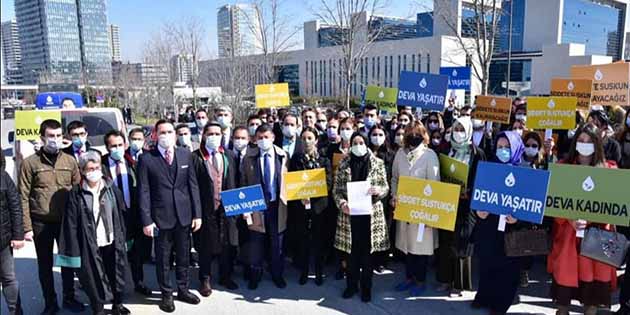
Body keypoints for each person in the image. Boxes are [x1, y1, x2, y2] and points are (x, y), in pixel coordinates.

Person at [548, 123, 618, 315]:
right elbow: (554, 204)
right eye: (581, 140)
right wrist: (569, 219)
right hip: (569, 238)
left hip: (596, 238)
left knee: (592, 294)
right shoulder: (563, 168)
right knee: (564, 294)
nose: (584, 144)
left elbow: (614, 209)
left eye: (589, 141)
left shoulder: (609, 171)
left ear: (597, 144)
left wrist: (595, 219)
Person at [19, 119, 85, 314]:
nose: (54, 140)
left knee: (67, 262)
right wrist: (27, 227)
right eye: (50, 136)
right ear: (42, 137)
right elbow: (22, 195)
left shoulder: (70, 161)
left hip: (66, 222)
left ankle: (69, 297)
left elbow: (78, 192)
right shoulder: (30, 163)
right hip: (41, 222)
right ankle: (50, 302)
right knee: (45, 265)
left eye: (58, 136)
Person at [137, 119, 202, 313]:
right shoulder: (147, 159)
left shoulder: (185, 154)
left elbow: (193, 186)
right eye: (162, 132)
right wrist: (146, 220)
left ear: (175, 134)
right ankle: (166, 294)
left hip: (183, 215)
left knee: (183, 256)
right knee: (163, 259)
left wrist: (197, 214)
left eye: (170, 132)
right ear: (155, 135)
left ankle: (183, 289)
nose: (166, 136)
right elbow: (144, 192)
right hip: (160, 217)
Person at [57, 151, 131, 315]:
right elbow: (71, 224)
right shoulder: (76, 194)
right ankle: (98, 308)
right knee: (93, 276)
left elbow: (121, 213)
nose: (94, 171)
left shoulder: (111, 188)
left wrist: (125, 237)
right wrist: (74, 250)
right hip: (90, 243)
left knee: (116, 272)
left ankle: (117, 304)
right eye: (89, 168)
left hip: (111, 240)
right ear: (82, 171)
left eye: (96, 167)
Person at [333, 132, 389, 302]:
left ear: (366, 143)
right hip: (350, 216)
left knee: (367, 257)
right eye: (355, 142)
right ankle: (351, 286)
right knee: (352, 256)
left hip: (370, 216)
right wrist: (342, 204)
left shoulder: (377, 163)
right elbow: (336, 191)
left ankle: (366, 288)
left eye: (361, 142)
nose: (358, 145)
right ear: (350, 145)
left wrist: (378, 191)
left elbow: (385, 186)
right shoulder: (343, 163)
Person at [472, 131, 523, 315]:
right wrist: (479, 212)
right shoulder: (487, 169)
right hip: (489, 226)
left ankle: (500, 304)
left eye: (507, 147)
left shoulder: (525, 173)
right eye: (500, 147)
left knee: (507, 269)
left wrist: (518, 219)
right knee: (487, 263)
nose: (503, 150)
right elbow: (477, 195)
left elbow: (531, 206)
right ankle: (484, 296)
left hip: (512, 231)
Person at [436, 117, 484, 295]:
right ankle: (444, 279)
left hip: (467, 205)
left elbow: (483, 179)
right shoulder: (446, 150)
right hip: (448, 203)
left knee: (463, 242)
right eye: (456, 128)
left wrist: (469, 192)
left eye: (462, 129)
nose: (458, 132)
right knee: (446, 241)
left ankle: (459, 282)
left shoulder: (477, 153)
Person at [390, 122, 439, 297]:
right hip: (404, 208)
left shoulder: (429, 155)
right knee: (407, 247)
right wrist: (394, 196)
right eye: (409, 133)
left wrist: (429, 212)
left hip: (422, 210)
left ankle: (420, 280)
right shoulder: (400, 154)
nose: (413, 136)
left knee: (421, 248)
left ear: (424, 135)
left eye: (417, 133)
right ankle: (409, 278)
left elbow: (435, 185)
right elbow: (395, 178)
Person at [102, 130, 152, 296]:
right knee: (113, 255)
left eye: (120, 145)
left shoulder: (134, 162)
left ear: (125, 145)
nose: (117, 148)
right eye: (113, 146)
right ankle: (114, 289)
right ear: (107, 147)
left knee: (136, 253)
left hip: (132, 215)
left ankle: (138, 282)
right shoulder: (101, 165)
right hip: (111, 217)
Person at [192, 122, 239, 295]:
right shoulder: (196, 157)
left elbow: (235, 180)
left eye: (217, 133)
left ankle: (225, 276)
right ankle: (205, 278)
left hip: (226, 208)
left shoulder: (229, 155)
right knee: (205, 245)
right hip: (206, 208)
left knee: (226, 243)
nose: (214, 137)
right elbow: (193, 186)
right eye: (210, 134)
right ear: (204, 136)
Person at [240, 124, 289, 290]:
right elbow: (244, 184)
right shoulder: (248, 158)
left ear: (273, 138)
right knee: (256, 243)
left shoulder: (283, 156)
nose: (263, 140)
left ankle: (277, 274)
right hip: (256, 207)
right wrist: (245, 209)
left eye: (266, 137)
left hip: (277, 206)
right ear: (255, 139)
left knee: (277, 243)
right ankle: (255, 275)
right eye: (260, 138)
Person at [290, 127, 332, 286]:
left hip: (319, 207)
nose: (306, 141)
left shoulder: (324, 160)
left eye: (309, 138)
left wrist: (312, 194)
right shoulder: (296, 159)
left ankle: (319, 272)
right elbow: (292, 181)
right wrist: (301, 196)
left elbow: (328, 183)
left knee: (319, 241)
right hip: (301, 207)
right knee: (303, 240)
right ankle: (304, 271)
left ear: (316, 140)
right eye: (303, 138)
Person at [367, 124, 395, 271]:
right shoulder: (365, 153)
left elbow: (393, 177)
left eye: (380, 135)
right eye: (374, 134)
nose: (376, 138)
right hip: (367, 196)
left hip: (384, 198)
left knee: (384, 229)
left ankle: (381, 261)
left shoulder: (391, 155)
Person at [1, 150, 24, 315]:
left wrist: (18, 235)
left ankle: (16, 312)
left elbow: (15, 206)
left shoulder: (3, 177)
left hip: (3, 239)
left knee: (8, 278)